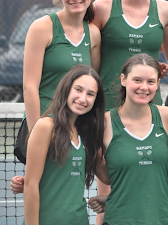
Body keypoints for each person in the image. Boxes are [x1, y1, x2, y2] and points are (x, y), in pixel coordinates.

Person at [91, 0, 168, 224]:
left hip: (147, 101)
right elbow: (89, 56)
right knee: (109, 188)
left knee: (160, 179)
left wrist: (155, 69)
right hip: (107, 105)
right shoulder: (102, 8)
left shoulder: (165, 10)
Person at [89, 53, 168, 224]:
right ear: (123, 80)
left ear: (158, 83)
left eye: (151, 81)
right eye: (137, 80)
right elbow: (105, 176)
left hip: (164, 219)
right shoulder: (104, 124)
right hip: (119, 219)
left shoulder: (167, 116)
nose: (144, 87)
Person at [23, 64, 106, 225]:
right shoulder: (46, 126)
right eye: (78, 90)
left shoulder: (87, 134)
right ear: (66, 89)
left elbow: (107, 178)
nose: (83, 99)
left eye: (91, 94)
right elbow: (31, 185)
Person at [23, 0, 101, 131]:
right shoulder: (42, 27)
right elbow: (29, 88)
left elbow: (93, 81)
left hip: (77, 129)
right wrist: (36, 133)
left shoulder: (93, 34)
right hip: (45, 125)